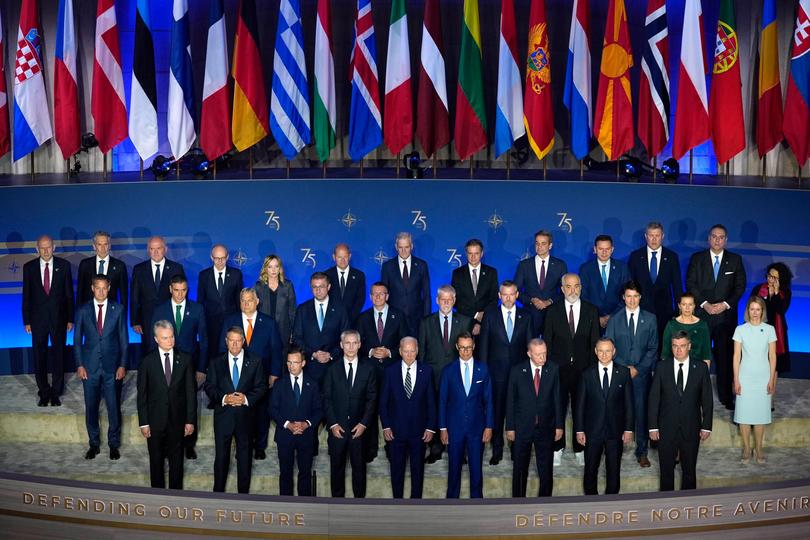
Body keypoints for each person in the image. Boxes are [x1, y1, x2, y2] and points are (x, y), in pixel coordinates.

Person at [686, 224, 746, 411]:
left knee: (725, 359)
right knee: (696, 357)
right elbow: (690, 282)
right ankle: (693, 396)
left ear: (726, 240)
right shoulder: (697, 259)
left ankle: (726, 397)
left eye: (721, 237)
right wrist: (704, 304)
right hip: (702, 316)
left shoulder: (735, 260)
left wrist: (724, 305)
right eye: (714, 236)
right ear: (708, 239)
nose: (717, 240)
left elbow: (739, 287)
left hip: (725, 318)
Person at [543, 273, 600, 466]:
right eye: (568, 286)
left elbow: (595, 344)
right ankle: (557, 448)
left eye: (576, 286)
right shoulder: (552, 311)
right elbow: (547, 343)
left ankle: (580, 448)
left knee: (581, 409)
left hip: (583, 371)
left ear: (581, 288)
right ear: (562, 289)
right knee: (557, 409)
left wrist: (593, 371)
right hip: (558, 370)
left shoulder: (592, 311)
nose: (572, 290)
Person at [220, 287, 283, 460]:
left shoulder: (269, 322)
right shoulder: (230, 320)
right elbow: (221, 349)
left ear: (257, 302)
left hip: (261, 378)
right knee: (239, 413)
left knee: (261, 413)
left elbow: (276, 350)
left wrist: (274, 374)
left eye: (250, 300)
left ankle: (260, 447)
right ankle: (242, 446)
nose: (246, 304)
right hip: (236, 376)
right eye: (243, 300)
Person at [151, 275, 208, 459]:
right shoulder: (160, 310)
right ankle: (169, 444)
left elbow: (204, 342)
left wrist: (201, 369)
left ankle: (189, 445)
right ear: (170, 289)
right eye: (176, 290)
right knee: (168, 405)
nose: (180, 294)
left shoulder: (197, 309)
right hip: (166, 365)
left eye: (183, 290)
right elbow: (153, 342)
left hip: (189, 366)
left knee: (190, 403)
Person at [648, 331, 713, 491]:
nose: (678, 350)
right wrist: (653, 426)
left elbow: (707, 400)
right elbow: (654, 399)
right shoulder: (662, 367)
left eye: (682, 346)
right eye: (675, 346)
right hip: (666, 428)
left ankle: (688, 507)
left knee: (689, 471)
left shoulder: (701, 368)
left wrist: (706, 425)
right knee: (666, 471)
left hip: (691, 427)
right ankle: (666, 506)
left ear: (689, 346)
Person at [205, 326, 266, 494]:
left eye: (238, 341)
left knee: (245, 459)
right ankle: (218, 493)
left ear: (243, 342)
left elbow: (261, 387)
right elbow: (209, 386)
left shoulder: (255, 360)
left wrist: (245, 399)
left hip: (245, 418)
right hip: (223, 417)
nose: (235, 344)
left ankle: (243, 496)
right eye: (231, 341)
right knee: (221, 458)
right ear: (226, 341)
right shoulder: (216, 361)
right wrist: (225, 398)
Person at [478, 280, 533, 465]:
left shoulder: (526, 316)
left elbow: (530, 347)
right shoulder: (490, 316)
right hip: (496, 374)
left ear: (517, 295)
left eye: (512, 294)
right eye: (505, 294)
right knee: (497, 413)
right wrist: (485, 373)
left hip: (519, 375)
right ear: (499, 296)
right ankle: (497, 450)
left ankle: (516, 449)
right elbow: (484, 346)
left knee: (518, 413)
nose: (508, 298)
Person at [73, 274, 127, 459]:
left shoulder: (118, 309)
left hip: (112, 368)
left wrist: (123, 365)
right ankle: (94, 444)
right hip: (89, 368)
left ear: (109, 287)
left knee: (113, 408)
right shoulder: (82, 310)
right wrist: (80, 365)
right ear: (92, 288)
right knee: (91, 408)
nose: (101, 291)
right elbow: (77, 341)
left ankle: (113, 444)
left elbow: (124, 341)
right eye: (98, 288)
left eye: (105, 288)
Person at [137, 321, 196, 489]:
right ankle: (158, 497)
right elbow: (142, 395)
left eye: (171, 337)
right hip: (155, 422)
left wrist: (190, 420)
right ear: (156, 339)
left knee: (177, 462)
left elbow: (190, 393)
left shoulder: (185, 359)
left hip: (177, 421)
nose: (170, 341)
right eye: (165, 338)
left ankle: (175, 497)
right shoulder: (147, 362)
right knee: (156, 462)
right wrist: (144, 422)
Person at [605, 281, 658, 468]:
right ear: (623, 297)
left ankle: (642, 452)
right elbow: (608, 347)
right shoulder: (615, 319)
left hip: (641, 376)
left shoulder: (650, 319)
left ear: (640, 297)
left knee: (641, 414)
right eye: (628, 296)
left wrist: (638, 369)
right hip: (619, 375)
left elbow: (653, 348)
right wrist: (623, 368)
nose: (632, 300)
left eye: (635, 296)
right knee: (617, 414)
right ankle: (616, 450)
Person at [418, 285, 473, 463]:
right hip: (433, 375)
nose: (446, 302)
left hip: (457, 376)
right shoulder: (426, 322)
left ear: (454, 300)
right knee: (434, 411)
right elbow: (423, 352)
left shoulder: (465, 321)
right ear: (437, 300)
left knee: (457, 412)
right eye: (443, 299)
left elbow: (468, 351)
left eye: (450, 299)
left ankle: (458, 450)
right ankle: (435, 448)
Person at [356, 282, 408, 463]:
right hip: (369, 371)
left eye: (381, 294)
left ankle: (391, 447)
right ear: (370, 297)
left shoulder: (398, 316)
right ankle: (370, 448)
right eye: (374, 294)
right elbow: (356, 346)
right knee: (369, 409)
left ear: (387, 296)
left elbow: (404, 342)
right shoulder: (362, 318)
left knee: (393, 410)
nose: (378, 297)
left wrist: (390, 352)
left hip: (392, 371)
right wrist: (370, 352)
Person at [574, 338, 634, 495]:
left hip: (616, 430)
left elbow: (629, 404)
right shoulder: (587, 374)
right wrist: (579, 430)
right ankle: (591, 503)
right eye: (601, 350)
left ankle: (611, 504)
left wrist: (628, 429)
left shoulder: (623, 373)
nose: (604, 354)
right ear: (595, 351)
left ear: (614, 352)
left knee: (614, 469)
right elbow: (579, 405)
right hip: (592, 430)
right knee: (590, 469)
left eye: (608, 350)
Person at [379, 337, 436, 499]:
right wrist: (386, 426)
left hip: (419, 432)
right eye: (406, 351)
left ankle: (416, 506)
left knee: (418, 471)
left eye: (412, 351)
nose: (409, 355)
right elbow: (383, 402)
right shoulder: (390, 371)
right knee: (397, 471)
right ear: (400, 351)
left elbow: (431, 401)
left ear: (417, 351)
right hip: (396, 432)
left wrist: (431, 427)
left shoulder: (427, 371)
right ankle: (397, 505)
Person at [505, 339, 563, 497]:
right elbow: (510, 401)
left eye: (544, 354)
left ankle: (545, 501)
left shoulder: (553, 369)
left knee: (545, 470)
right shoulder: (517, 371)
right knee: (520, 469)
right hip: (522, 428)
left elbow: (557, 399)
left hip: (546, 427)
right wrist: (510, 427)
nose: (543, 358)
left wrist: (559, 425)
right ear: (529, 353)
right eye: (538, 355)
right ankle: (518, 501)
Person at [323, 330, 378, 498]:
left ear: (360, 345)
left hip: (359, 430)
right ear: (341, 345)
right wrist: (332, 423)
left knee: (359, 471)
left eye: (355, 343)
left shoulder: (368, 369)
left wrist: (363, 424)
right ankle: (336, 507)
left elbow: (372, 399)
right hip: (337, 430)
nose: (351, 346)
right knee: (336, 471)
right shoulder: (332, 369)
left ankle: (358, 507)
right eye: (347, 343)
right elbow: (327, 398)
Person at [438, 333, 494, 499]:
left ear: (474, 346)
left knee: (476, 470)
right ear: (457, 347)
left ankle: (477, 505)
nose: (465, 351)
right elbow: (442, 401)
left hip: (477, 428)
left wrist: (489, 426)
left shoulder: (482, 369)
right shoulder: (448, 371)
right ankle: (451, 506)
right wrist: (442, 428)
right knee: (454, 469)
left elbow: (489, 401)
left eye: (468, 347)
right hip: (454, 429)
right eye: (462, 347)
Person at [22, 234, 74, 406]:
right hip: (37, 321)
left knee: (59, 356)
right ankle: (44, 391)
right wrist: (27, 321)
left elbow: (68, 295)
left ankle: (56, 391)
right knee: (39, 356)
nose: (46, 250)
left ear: (54, 247)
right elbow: (27, 296)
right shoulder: (29, 268)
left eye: (49, 246)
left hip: (59, 319)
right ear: (37, 249)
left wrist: (70, 319)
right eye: (42, 247)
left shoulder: (64, 266)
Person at [271, 347, 322, 496]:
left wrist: (307, 424)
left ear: (303, 363)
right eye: (289, 362)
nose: (291, 366)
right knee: (285, 473)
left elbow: (319, 410)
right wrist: (288, 425)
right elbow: (273, 409)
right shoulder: (279, 384)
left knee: (305, 473)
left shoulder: (312, 384)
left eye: (295, 362)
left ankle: (304, 506)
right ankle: (286, 507)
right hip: (285, 436)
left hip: (306, 437)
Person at [733, 297, 777, 465]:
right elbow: (736, 356)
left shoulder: (769, 329)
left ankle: (759, 448)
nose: (755, 312)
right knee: (744, 416)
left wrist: (772, 378)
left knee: (760, 415)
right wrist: (736, 379)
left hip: (763, 376)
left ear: (762, 311)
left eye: (758, 309)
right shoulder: (740, 330)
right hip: (745, 376)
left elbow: (772, 356)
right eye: (752, 309)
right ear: (748, 311)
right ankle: (746, 448)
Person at [627, 222, 682, 348]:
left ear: (662, 236)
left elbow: (677, 286)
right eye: (651, 235)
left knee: (663, 345)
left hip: (665, 311)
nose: (654, 239)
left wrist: (678, 311)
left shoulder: (672, 257)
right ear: (646, 236)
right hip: (640, 310)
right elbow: (630, 285)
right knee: (641, 345)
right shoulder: (635, 256)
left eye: (657, 235)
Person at [130, 236, 186, 356]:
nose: (155, 252)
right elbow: (135, 296)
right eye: (152, 248)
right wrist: (135, 321)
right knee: (149, 351)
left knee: (171, 350)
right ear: (148, 250)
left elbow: (181, 294)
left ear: (165, 249)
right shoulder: (139, 269)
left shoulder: (176, 268)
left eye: (159, 248)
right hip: (147, 319)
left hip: (170, 317)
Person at [292, 272, 350, 385]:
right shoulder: (303, 309)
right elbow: (296, 337)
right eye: (315, 287)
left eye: (321, 286)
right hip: (309, 367)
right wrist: (313, 353)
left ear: (328, 287)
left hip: (334, 367)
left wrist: (331, 355)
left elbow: (346, 337)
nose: (318, 290)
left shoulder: (340, 309)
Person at [197, 244, 244, 382]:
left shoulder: (236, 274)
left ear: (227, 257)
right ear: (212, 257)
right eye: (217, 258)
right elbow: (200, 301)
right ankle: (213, 385)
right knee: (212, 356)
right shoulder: (204, 275)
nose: (220, 261)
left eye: (223, 258)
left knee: (230, 357)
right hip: (210, 324)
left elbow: (239, 300)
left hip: (231, 324)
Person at [514, 230, 568, 337]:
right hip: (530, 315)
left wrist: (549, 302)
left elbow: (565, 291)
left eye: (543, 243)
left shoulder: (560, 265)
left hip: (552, 315)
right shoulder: (524, 265)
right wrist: (532, 300)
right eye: (537, 243)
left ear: (550, 245)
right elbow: (516, 291)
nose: (539, 246)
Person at [380, 232, 431, 336]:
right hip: (394, 319)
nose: (403, 251)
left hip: (417, 319)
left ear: (411, 246)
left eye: (406, 247)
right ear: (396, 247)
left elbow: (426, 295)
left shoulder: (421, 265)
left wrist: (427, 319)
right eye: (400, 247)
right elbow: (383, 294)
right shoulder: (387, 267)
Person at [579, 234, 630, 330]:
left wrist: (612, 316)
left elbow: (627, 294)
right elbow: (582, 296)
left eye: (607, 249)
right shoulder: (585, 269)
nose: (604, 252)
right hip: (592, 321)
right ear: (595, 249)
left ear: (612, 249)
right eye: (600, 249)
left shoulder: (622, 268)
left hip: (617, 320)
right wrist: (596, 317)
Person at [749, 262, 792, 374]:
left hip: (776, 331)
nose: (770, 279)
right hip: (757, 329)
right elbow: (751, 308)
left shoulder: (785, 292)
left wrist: (776, 293)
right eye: (769, 276)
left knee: (774, 364)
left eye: (774, 277)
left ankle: (770, 388)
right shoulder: (758, 289)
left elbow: (781, 310)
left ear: (781, 279)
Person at [451, 239, 499, 336]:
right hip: (464, 324)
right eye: (470, 253)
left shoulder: (491, 272)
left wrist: (482, 319)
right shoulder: (457, 273)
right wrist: (476, 315)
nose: (473, 257)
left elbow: (494, 299)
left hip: (486, 323)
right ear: (466, 254)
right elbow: (456, 301)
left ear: (481, 254)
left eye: (476, 253)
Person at [254, 254, 296, 355]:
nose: (273, 270)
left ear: (280, 268)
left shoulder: (287, 286)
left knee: (282, 362)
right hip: (264, 331)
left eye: (276, 266)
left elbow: (292, 311)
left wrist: (293, 332)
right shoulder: (259, 286)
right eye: (270, 267)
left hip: (283, 331)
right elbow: (255, 311)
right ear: (265, 268)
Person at [77, 230, 128, 314]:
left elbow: (124, 296)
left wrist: (122, 318)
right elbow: (80, 293)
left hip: (112, 314)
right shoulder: (85, 265)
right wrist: (79, 316)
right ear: (94, 246)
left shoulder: (120, 266)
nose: (103, 248)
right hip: (89, 313)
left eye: (105, 244)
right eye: (99, 244)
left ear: (109, 246)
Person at [661, 292, 712, 366]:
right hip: (675, 368)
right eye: (684, 304)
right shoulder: (671, 325)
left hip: (697, 369)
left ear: (694, 306)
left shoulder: (702, 325)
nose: (687, 308)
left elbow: (706, 354)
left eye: (690, 304)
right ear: (679, 306)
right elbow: (665, 354)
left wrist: (705, 375)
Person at [325, 243, 366, 327]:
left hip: (353, 322)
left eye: (345, 257)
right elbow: (324, 298)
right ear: (334, 257)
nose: (342, 260)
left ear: (350, 256)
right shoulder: (326, 275)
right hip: (331, 322)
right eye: (339, 257)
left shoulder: (359, 275)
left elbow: (360, 299)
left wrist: (349, 318)